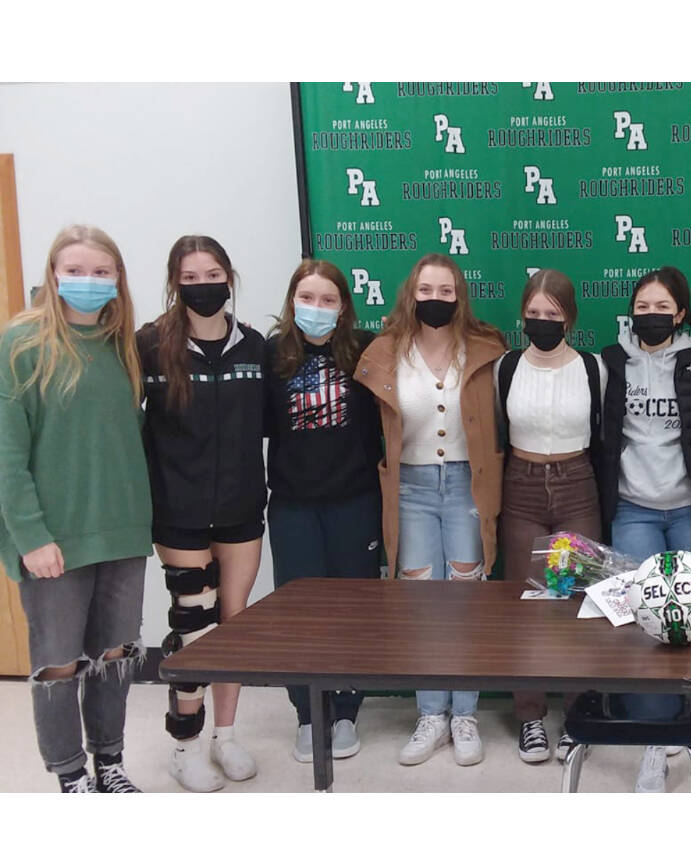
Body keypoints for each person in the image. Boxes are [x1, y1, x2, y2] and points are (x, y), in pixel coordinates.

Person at [0, 225, 151, 792]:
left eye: (101, 271)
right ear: (53, 274)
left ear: (117, 279)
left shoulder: (121, 345)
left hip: (122, 531)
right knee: (58, 663)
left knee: (115, 656)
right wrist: (30, 537)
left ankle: (108, 761)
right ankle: (69, 775)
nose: (88, 282)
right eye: (76, 270)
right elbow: (6, 457)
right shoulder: (20, 345)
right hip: (53, 539)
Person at [355, 253, 506, 768]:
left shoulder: (485, 350)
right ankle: (430, 715)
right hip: (411, 489)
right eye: (426, 290)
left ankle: (464, 714)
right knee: (420, 602)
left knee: (466, 599)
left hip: (468, 484)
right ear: (410, 294)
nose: (435, 300)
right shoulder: (384, 352)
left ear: (459, 296)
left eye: (445, 291)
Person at [137, 235, 267, 792]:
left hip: (241, 507)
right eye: (190, 278)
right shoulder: (149, 344)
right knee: (195, 624)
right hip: (179, 512)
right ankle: (185, 745)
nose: (203, 285)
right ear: (174, 283)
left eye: (212, 274)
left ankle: (226, 737)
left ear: (229, 276)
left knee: (234, 624)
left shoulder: (255, 346)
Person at [598, 266, 691, 792]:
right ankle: (653, 735)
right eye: (642, 306)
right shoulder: (611, 362)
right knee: (644, 620)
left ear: (682, 313)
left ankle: (683, 720)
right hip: (634, 509)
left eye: (662, 307)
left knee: (688, 619)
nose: (652, 315)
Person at [264, 260, 382, 764]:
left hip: (354, 501)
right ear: (292, 301)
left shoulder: (365, 349)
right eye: (307, 298)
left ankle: (347, 711)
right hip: (292, 504)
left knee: (354, 610)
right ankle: (309, 712)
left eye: (327, 299)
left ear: (344, 306)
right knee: (298, 615)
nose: (316, 308)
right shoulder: (271, 354)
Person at [496, 268, 606, 765]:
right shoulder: (506, 366)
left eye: (553, 314)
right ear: (523, 316)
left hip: (577, 488)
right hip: (520, 488)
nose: (542, 321)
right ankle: (532, 717)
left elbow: (604, 435)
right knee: (529, 605)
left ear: (570, 318)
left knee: (575, 601)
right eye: (534, 314)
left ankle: (578, 716)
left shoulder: (593, 368)